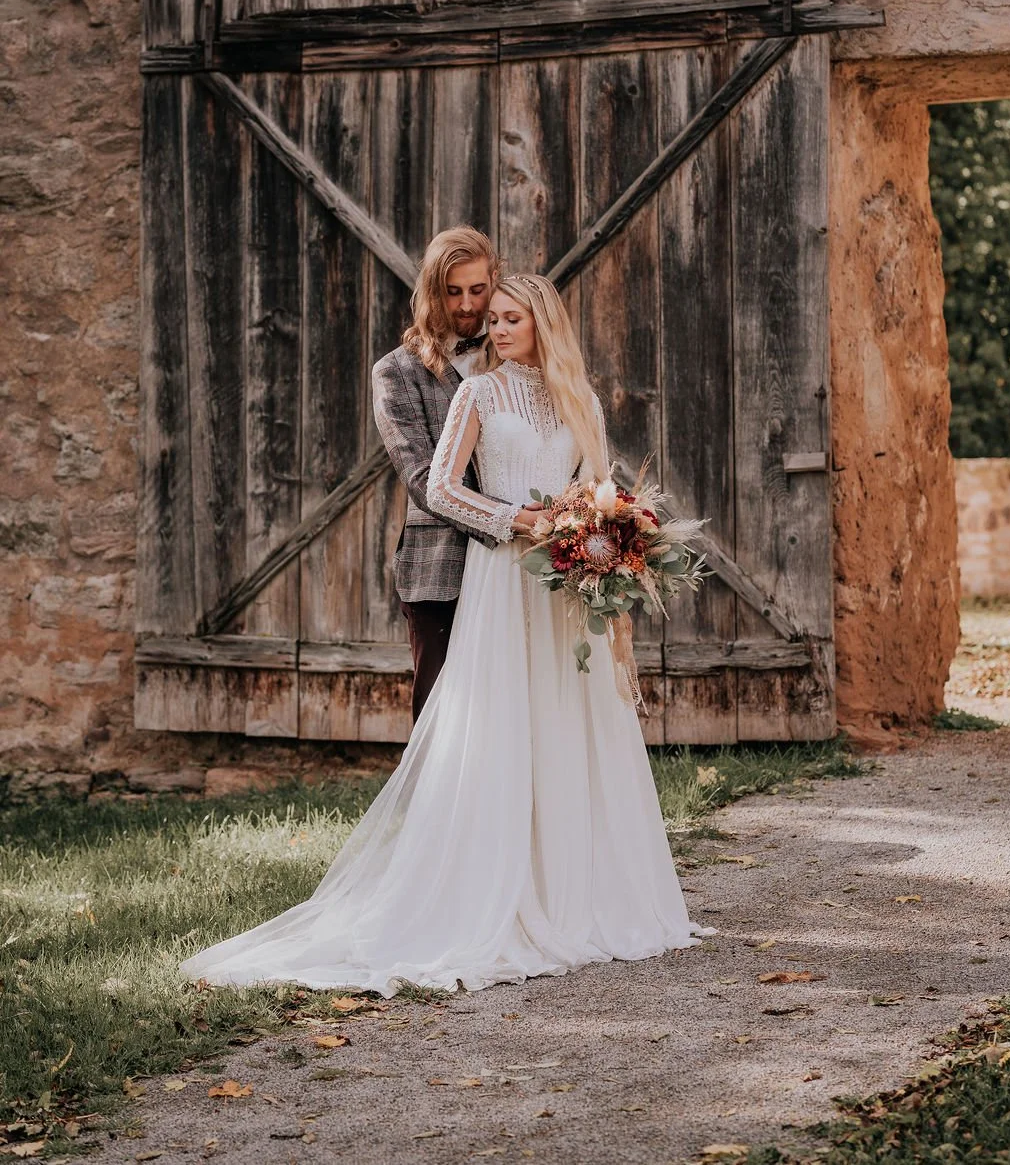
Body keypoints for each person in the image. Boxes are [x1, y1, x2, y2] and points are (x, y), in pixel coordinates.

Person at [180, 273, 711, 995]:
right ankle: (493, 894)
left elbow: (597, 488)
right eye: (491, 319)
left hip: (563, 591)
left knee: (568, 726)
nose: (495, 329)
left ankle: (579, 894)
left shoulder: (580, 399)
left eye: (510, 318)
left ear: (543, 323)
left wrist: (601, 529)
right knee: (502, 728)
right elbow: (439, 486)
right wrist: (516, 521)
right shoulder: (478, 394)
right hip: (502, 578)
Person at [370, 226, 534, 720]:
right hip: (438, 571)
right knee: (442, 722)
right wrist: (510, 521)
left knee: (514, 713)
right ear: (431, 290)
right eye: (452, 291)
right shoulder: (395, 372)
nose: (466, 305)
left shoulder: (513, 354)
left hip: (521, 569)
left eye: (477, 290)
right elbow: (422, 479)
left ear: (495, 280)